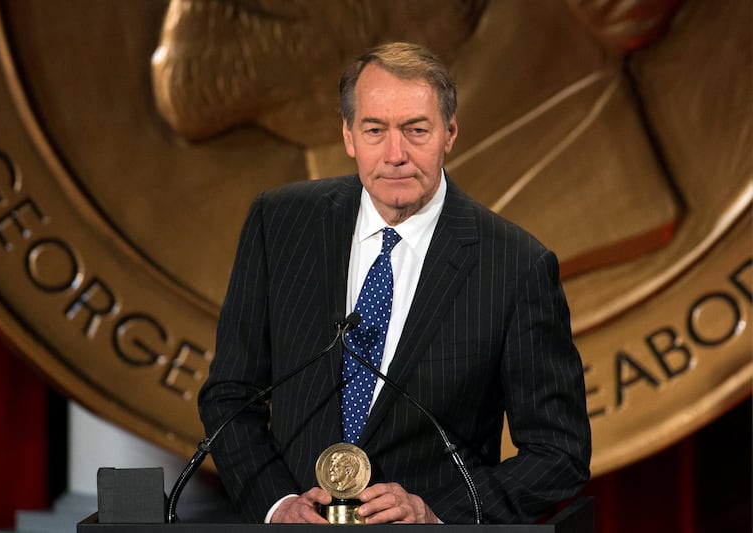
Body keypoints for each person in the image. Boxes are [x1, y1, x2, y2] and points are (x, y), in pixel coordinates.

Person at [198, 41, 591, 524]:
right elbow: (230, 395)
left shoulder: (514, 265)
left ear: (449, 133)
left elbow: (558, 454)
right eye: (375, 130)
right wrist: (277, 506)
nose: (395, 154)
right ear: (348, 136)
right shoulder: (278, 224)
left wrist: (435, 514)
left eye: (416, 130)